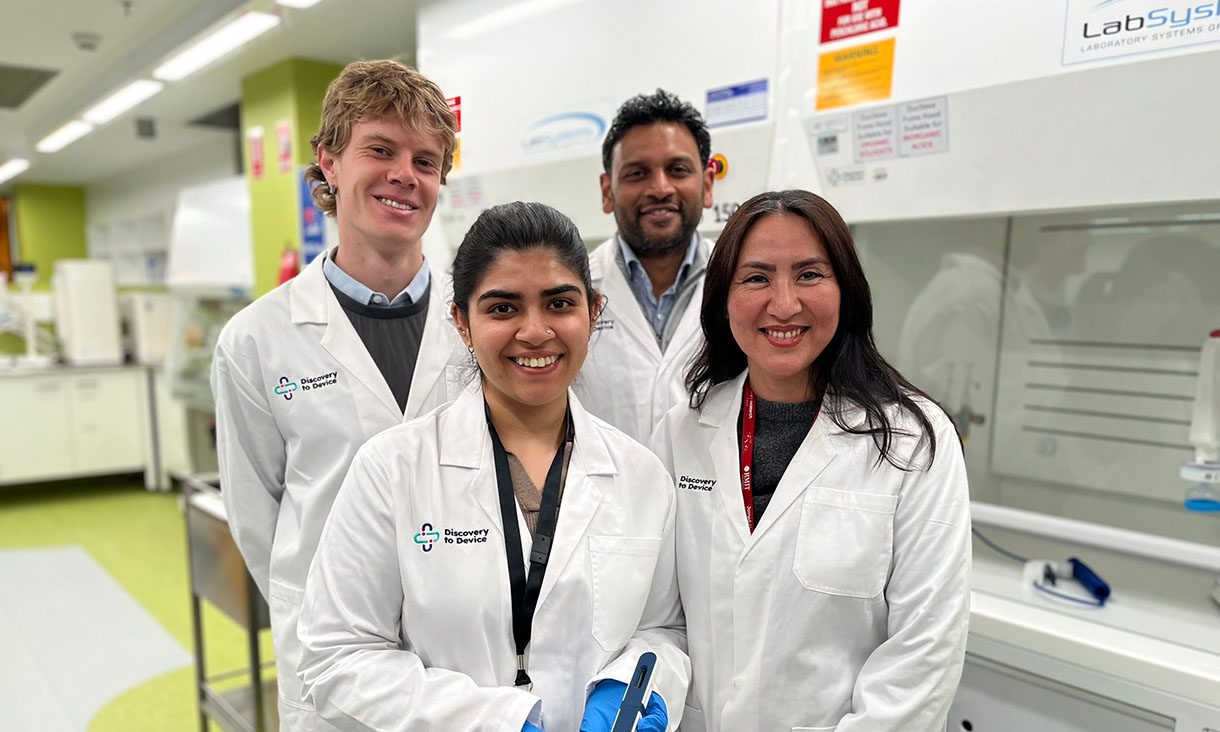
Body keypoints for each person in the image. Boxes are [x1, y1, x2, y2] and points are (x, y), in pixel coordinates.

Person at [297, 202, 689, 732]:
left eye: (559, 304)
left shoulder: (642, 475)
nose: (535, 331)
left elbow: (663, 627)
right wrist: (491, 721)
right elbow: (338, 658)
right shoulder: (392, 469)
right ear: (462, 321)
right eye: (503, 308)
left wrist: (636, 689)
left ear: (593, 312)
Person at [651, 190, 971, 732]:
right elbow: (661, 619)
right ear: (723, 298)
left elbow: (924, 651)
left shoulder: (913, 441)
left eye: (809, 275)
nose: (783, 304)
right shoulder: (680, 434)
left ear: (845, 290)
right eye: (756, 278)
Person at [210, 60, 467, 730]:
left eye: (426, 160)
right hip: (331, 657)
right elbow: (255, 515)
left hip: (465, 651)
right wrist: (323, 610)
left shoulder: (478, 323)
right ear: (328, 162)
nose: (404, 175)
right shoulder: (256, 339)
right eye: (379, 150)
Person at [572, 89, 715, 444]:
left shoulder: (743, 285)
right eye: (637, 174)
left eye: (678, 170)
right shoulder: (570, 290)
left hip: (716, 499)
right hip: (605, 498)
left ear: (707, 184)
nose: (660, 188)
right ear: (607, 191)